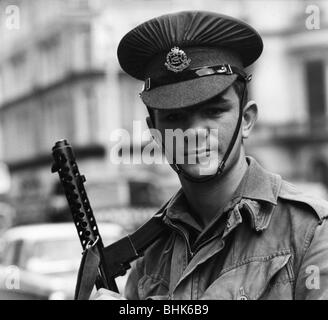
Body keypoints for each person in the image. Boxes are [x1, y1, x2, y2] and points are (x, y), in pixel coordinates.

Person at [94, 10, 328, 300]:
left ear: (246, 119)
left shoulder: (310, 232)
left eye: (214, 111)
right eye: (174, 116)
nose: (193, 131)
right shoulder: (149, 252)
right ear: (154, 132)